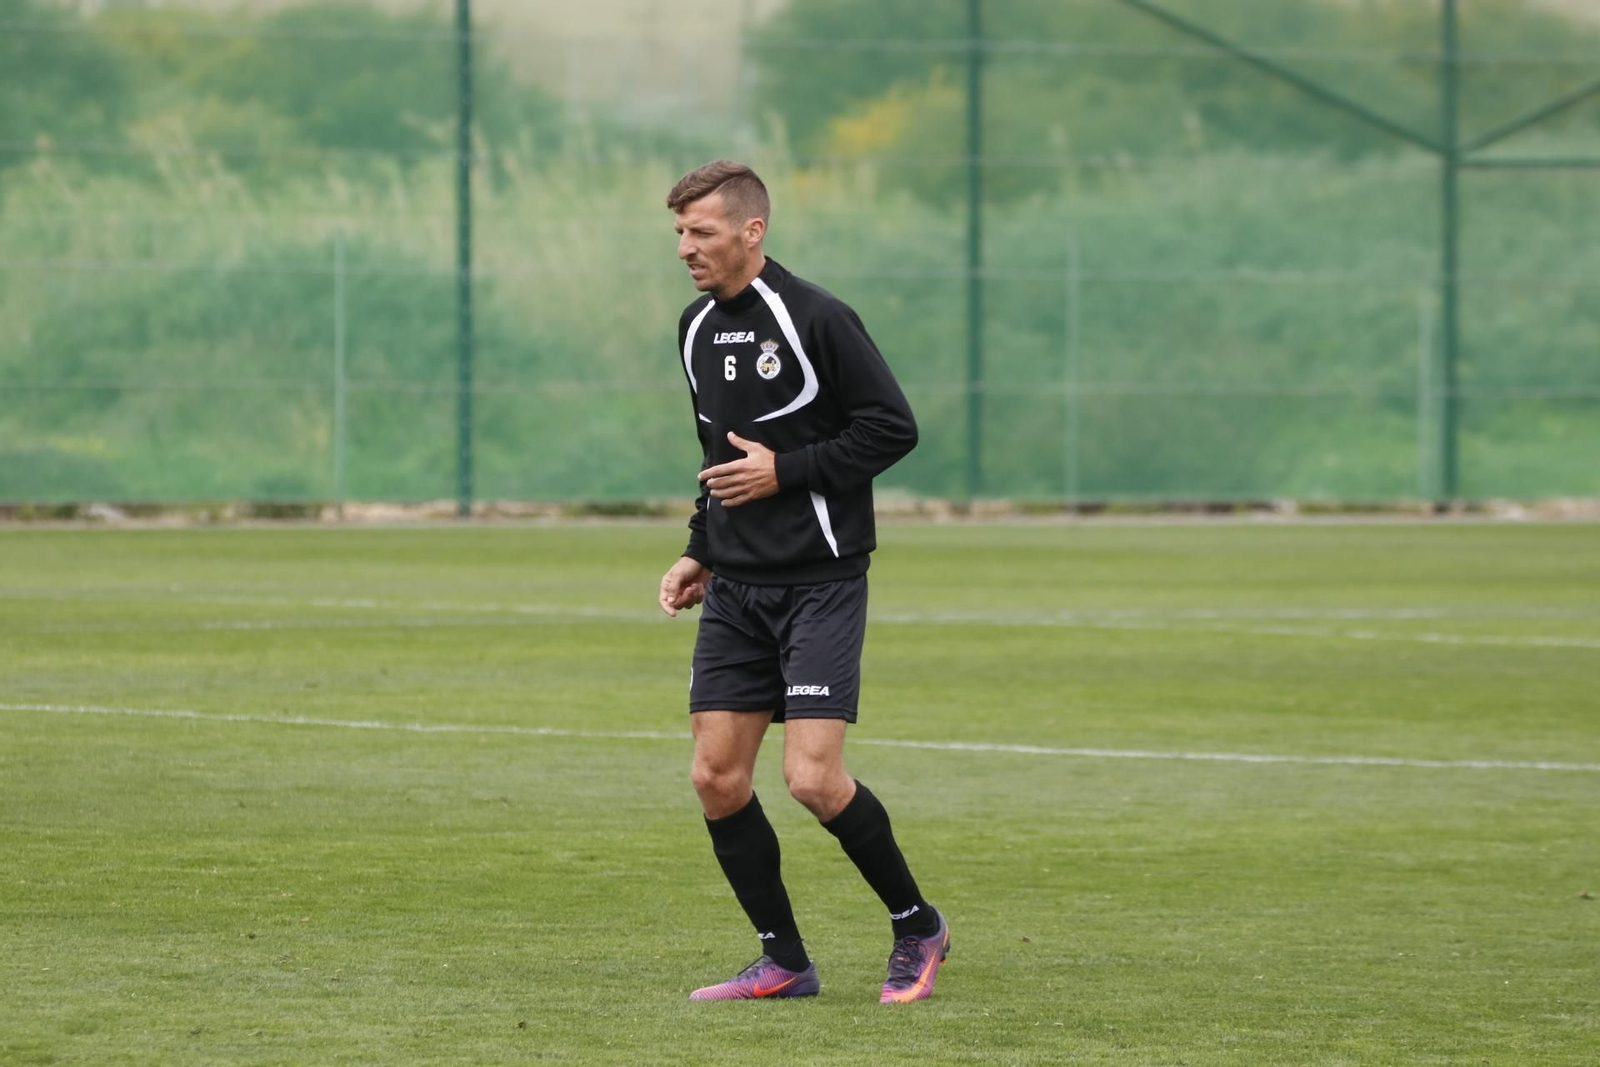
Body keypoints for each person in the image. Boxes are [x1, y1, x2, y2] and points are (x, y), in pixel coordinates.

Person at [656, 160, 947, 1004]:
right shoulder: (694, 327)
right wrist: (699, 549)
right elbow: (718, 456)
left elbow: (893, 427)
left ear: (752, 231)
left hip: (820, 580)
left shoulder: (817, 317)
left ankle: (917, 924)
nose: (685, 248)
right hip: (738, 587)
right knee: (716, 778)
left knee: (813, 778)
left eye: (701, 231)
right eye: (678, 232)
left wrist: (788, 471)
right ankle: (783, 959)